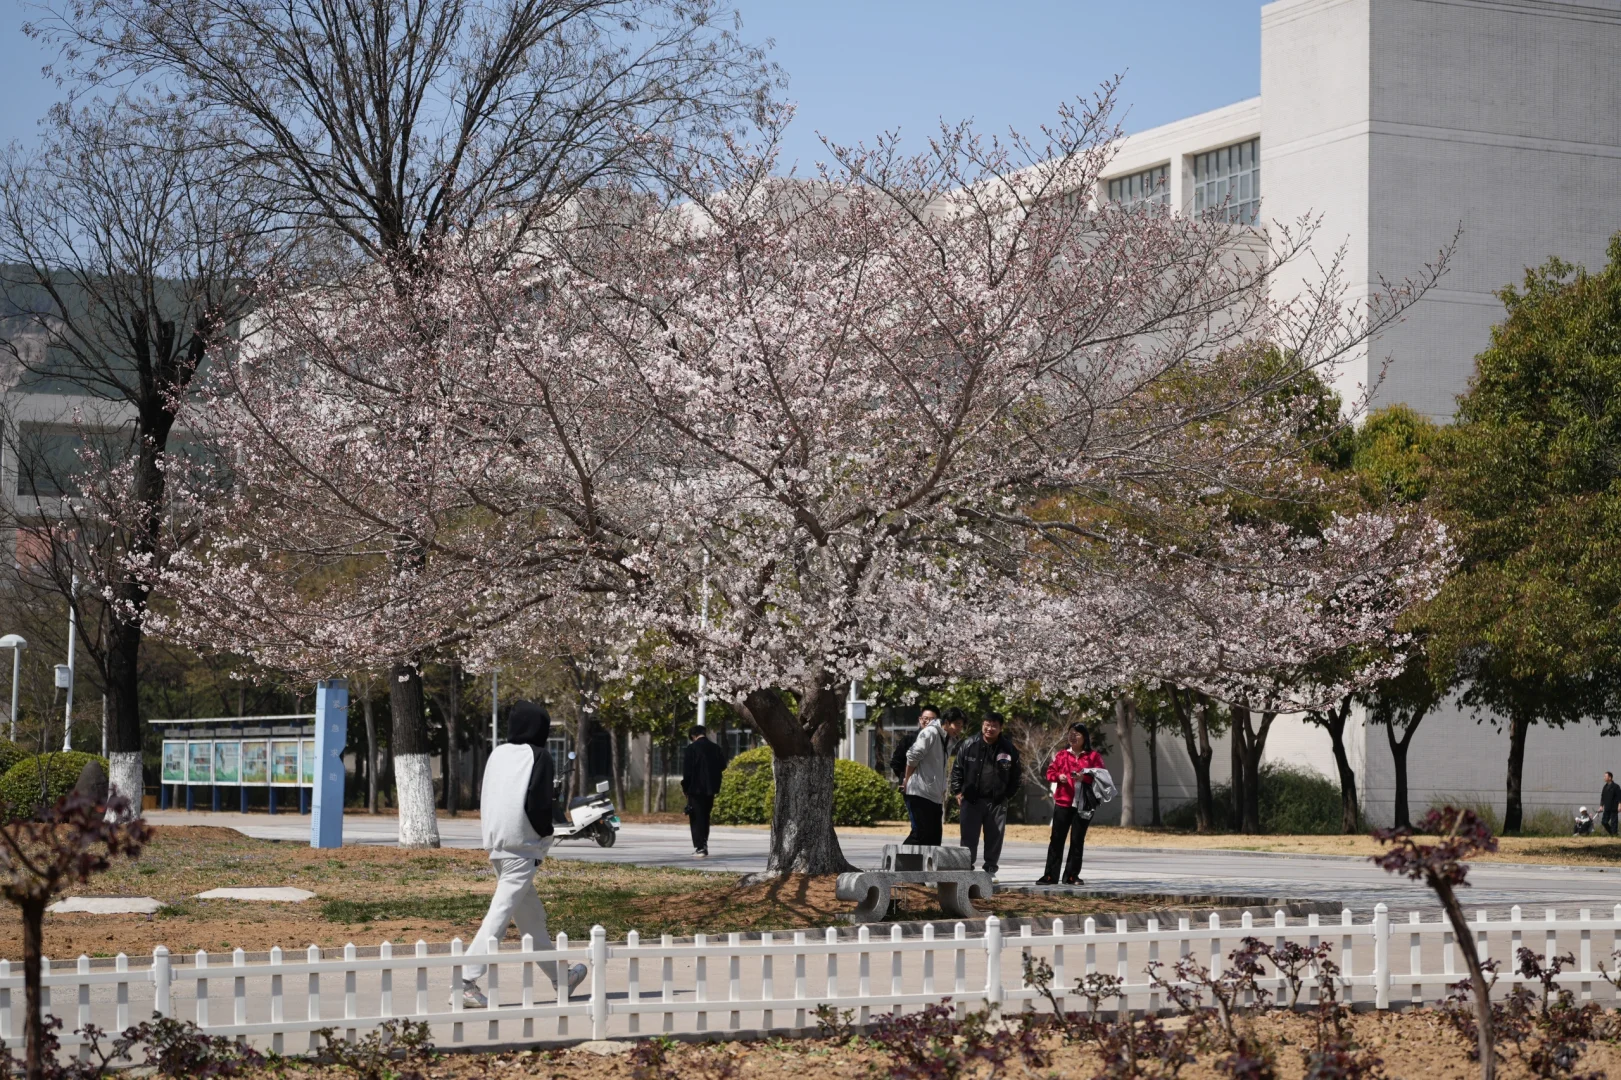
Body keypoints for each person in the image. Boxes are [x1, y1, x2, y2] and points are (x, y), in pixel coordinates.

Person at [456, 700, 587, 1008]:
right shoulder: (539, 755)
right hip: (524, 847)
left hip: (497, 844)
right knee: (499, 914)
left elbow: (489, 796)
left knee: (530, 920)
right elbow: (538, 804)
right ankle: (465, 980)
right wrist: (547, 832)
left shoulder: (497, 754)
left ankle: (561, 978)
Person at [949, 713, 1022, 880]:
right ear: (982, 725)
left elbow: (1016, 776)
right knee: (968, 837)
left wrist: (1006, 795)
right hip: (971, 800)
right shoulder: (968, 744)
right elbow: (957, 769)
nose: (990, 728)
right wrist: (958, 792)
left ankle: (990, 869)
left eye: (994, 725)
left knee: (994, 837)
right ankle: (966, 868)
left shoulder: (1008, 749)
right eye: (987, 724)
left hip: (996, 801)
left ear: (1000, 728)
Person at [1038, 723, 1106, 886]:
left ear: (1084, 738)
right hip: (1063, 802)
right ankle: (1050, 876)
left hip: (1084, 804)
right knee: (1056, 839)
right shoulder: (1062, 755)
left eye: (1077, 734)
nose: (1072, 737)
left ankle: (1071, 876)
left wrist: (1085, 778)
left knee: (1077, 840)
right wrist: (1058, 776)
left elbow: (1102, 776)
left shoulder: (1093, 757)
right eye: (1070, 734)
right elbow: (1049, 773)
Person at [903, 707, 963, 846]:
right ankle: (898, 862)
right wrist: (907, 778)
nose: (959, 729)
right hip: (920, 792)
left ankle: (925, 867)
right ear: (947, 722)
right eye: (957, 724)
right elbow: (912, 756)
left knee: (934, 838)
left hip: (934, 795)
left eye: (961, 725)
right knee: (920, 834)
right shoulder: (930, 732)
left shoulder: (947, 738)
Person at [681, 725, 728, 858]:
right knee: (705, 816)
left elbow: (687, 772)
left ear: (693, 736)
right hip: (710, 789)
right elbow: (723, 766)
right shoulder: (716, 748)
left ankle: (700, 847)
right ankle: (704, 843)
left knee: (696, 817)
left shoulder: (691, 749)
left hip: (695, 788)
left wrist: (685, 787)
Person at [891, 708, 936, 834]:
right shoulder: (909, 739)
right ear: (920, 720)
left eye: (931, 719)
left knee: (930, 825)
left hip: (933, 788)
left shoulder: (939, 740)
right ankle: (912, 851)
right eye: (925, 719)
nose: (927, 722)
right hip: (912, 787)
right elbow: (896, 763)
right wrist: (906, 777)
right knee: (917, 824)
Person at [1603, 772, 1621, 837]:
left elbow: (1619, 797)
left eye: (1605, 776)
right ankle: (1612, 834)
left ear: (1610, 777)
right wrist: (1601, 806)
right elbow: (1602, 797)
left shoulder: (1616, 786)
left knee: (1614, 823)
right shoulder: (1605, 787)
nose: (1604, 778)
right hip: (1607, 808)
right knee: (1604, 822)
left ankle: (1614, 835)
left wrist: (1619, 805)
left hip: (1614, 808)